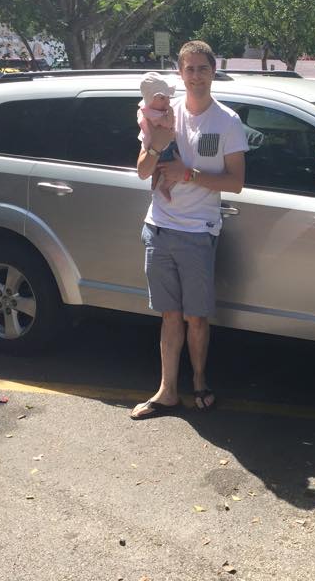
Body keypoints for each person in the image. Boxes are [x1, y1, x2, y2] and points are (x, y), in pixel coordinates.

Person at [131, 40, 249, 420]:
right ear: (180, 74)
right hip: (160, 228)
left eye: (202, 68)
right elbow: (143, 171)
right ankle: (167, 391)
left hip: (199, 232)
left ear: (213, 71)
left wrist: (189, 174)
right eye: (189, 69)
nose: (196, 75)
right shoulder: (164, 113)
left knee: (196, 316)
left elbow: (235, 183)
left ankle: (199, 382)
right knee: (169, 314)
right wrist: (156, 146)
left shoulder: (227, 122)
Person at [138, 72, 177, 201]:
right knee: (170, 165)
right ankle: (164, 186)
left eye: (167, 97)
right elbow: (168, 124)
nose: (168, 101)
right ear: (150, 99)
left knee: (157, 169)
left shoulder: (147, 111)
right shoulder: (154, 115)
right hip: (163, 148)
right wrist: (170, 113)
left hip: (153, 146)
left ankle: (155, 184)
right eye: (162, 98)